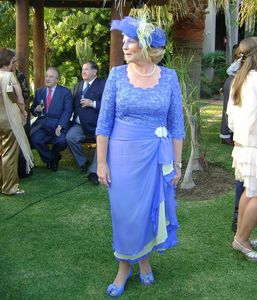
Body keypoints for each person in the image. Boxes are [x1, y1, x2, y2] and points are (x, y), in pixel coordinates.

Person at [96, 16, 185, 297]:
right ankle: (124, 266)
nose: (124, 46)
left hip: (157, 157)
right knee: (124, 213)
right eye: (123, 41)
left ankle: (144, 259)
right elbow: (103, 123)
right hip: (121, 156)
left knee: (150, 211)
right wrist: (101, 162)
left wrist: (178, 164)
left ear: (146, 46)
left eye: (130, 41)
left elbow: (177, 124)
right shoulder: (116, 75)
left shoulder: (169, 77)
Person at [227, 36, 257, 262]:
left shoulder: (238, 80)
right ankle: (241, 239)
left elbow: (231, 120)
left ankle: (242, 236)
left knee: (249, 192)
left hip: (243, 147)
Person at [0, 48, 34, 195]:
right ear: (9, 62)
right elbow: (19, 100)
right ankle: (9, 187)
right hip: (8, 120)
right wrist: (23, 111)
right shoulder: (10, 77)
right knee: (9, 153)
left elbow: (7, 95)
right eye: (14, 62)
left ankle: (2, 182)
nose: (15, 65)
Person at [66, 61, 105, 185]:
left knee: (101, 141)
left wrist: (92, 103)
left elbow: (109, 105)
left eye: (87, 69)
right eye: (83, 69)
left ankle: (94, 172)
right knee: (70, 137)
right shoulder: (78, 86)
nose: (83, 72)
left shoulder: (103, 84)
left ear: (95, 71)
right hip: (80, 124)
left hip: (98, 124)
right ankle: (83, 162)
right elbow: (71, 106)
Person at [30, 67, 72, 171]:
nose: (47, 79)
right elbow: (33, 108)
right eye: (47, 76)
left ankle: (53, 155)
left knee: (61, 141)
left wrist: (60, 126)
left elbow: (67, 111)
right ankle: (52, 159)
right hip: (42, 125)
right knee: (35, 139)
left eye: (51, 77)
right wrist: (36, 109)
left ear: (57, 79)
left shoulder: (65, 92)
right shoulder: (39, 92)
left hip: (57, 124)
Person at [10, 50, 33, 178]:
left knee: (20, 140)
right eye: (14, 61)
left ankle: (22, 170)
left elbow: (25, 94)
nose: (16, 64)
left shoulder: (19, 75)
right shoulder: (6, 76)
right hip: (7, 113)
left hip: (17, 111)